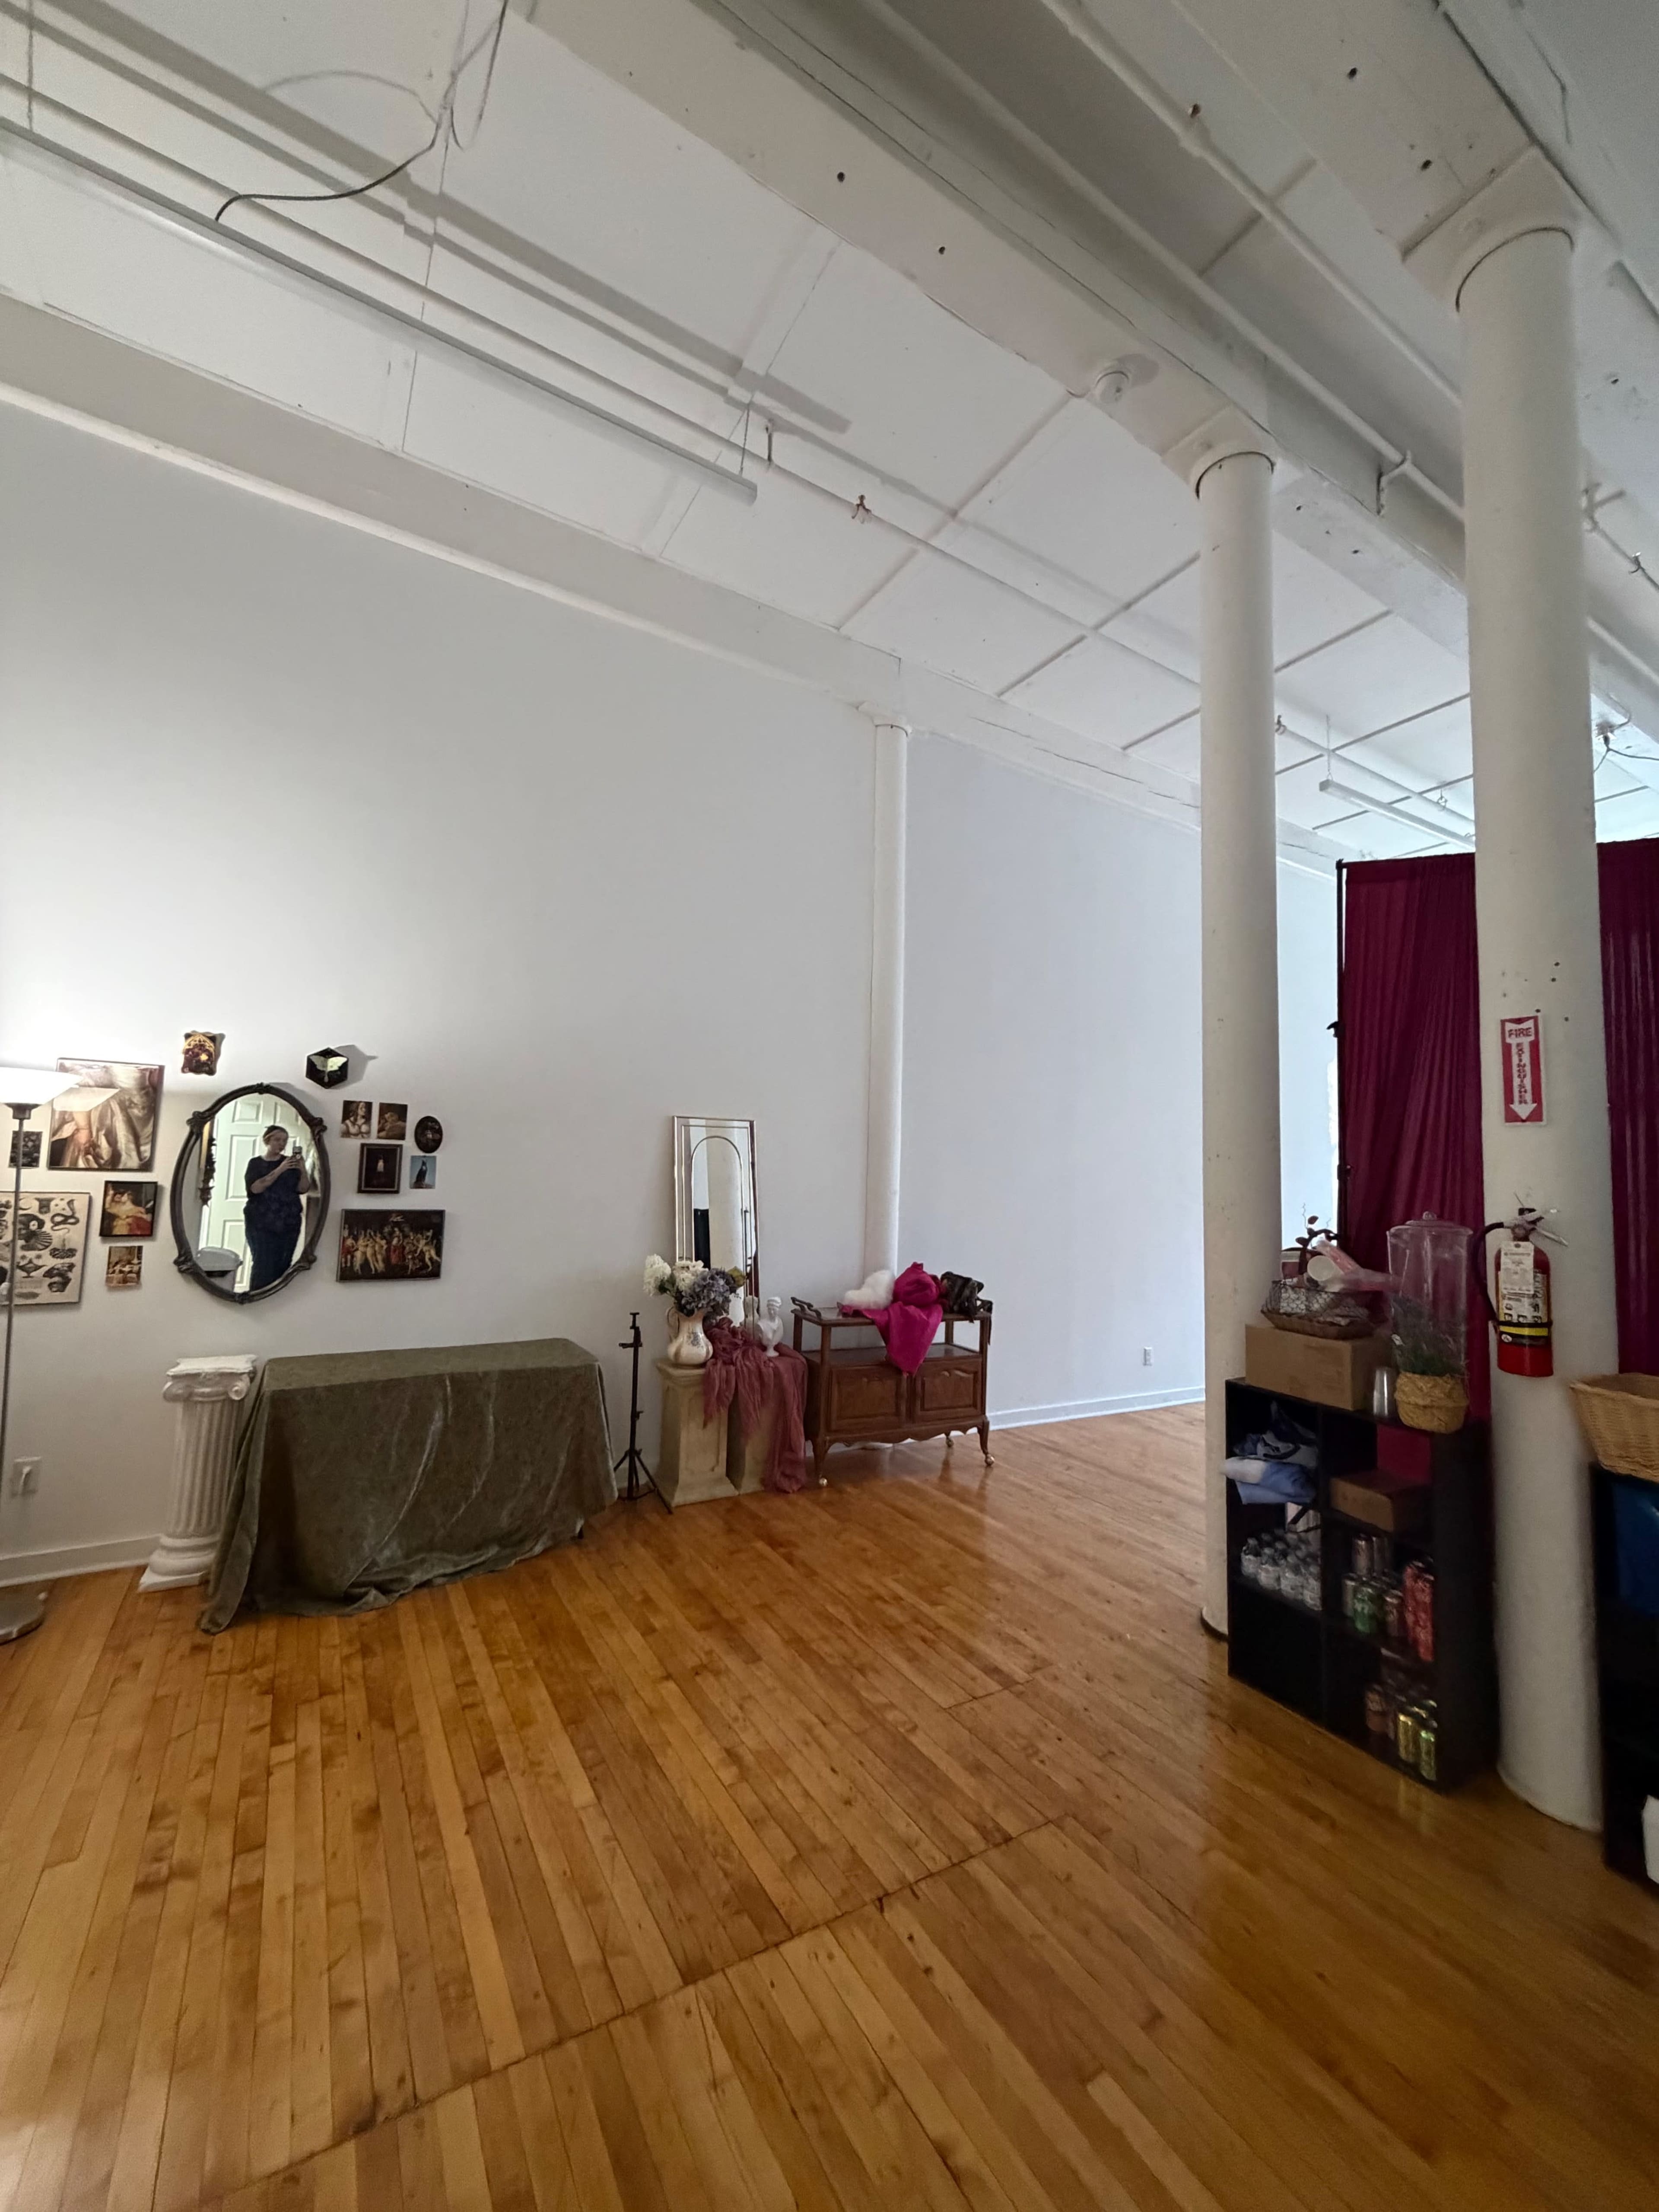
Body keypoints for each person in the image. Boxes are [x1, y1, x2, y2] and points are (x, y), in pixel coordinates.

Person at [243, 1126, 315, 1292]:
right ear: (267, 1141)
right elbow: (256, 1188)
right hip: (261, 1222)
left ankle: (279, 1301)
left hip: (289, 1221)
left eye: (284, 1141)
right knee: (263, 1263)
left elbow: (303, 1189)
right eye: (277, 1140)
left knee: (284, 1264)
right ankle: (256, 1297)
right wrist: (280, 1169)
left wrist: (302, 1169)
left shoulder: (292, 1164)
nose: (281, 1144)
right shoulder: (256, 1163)